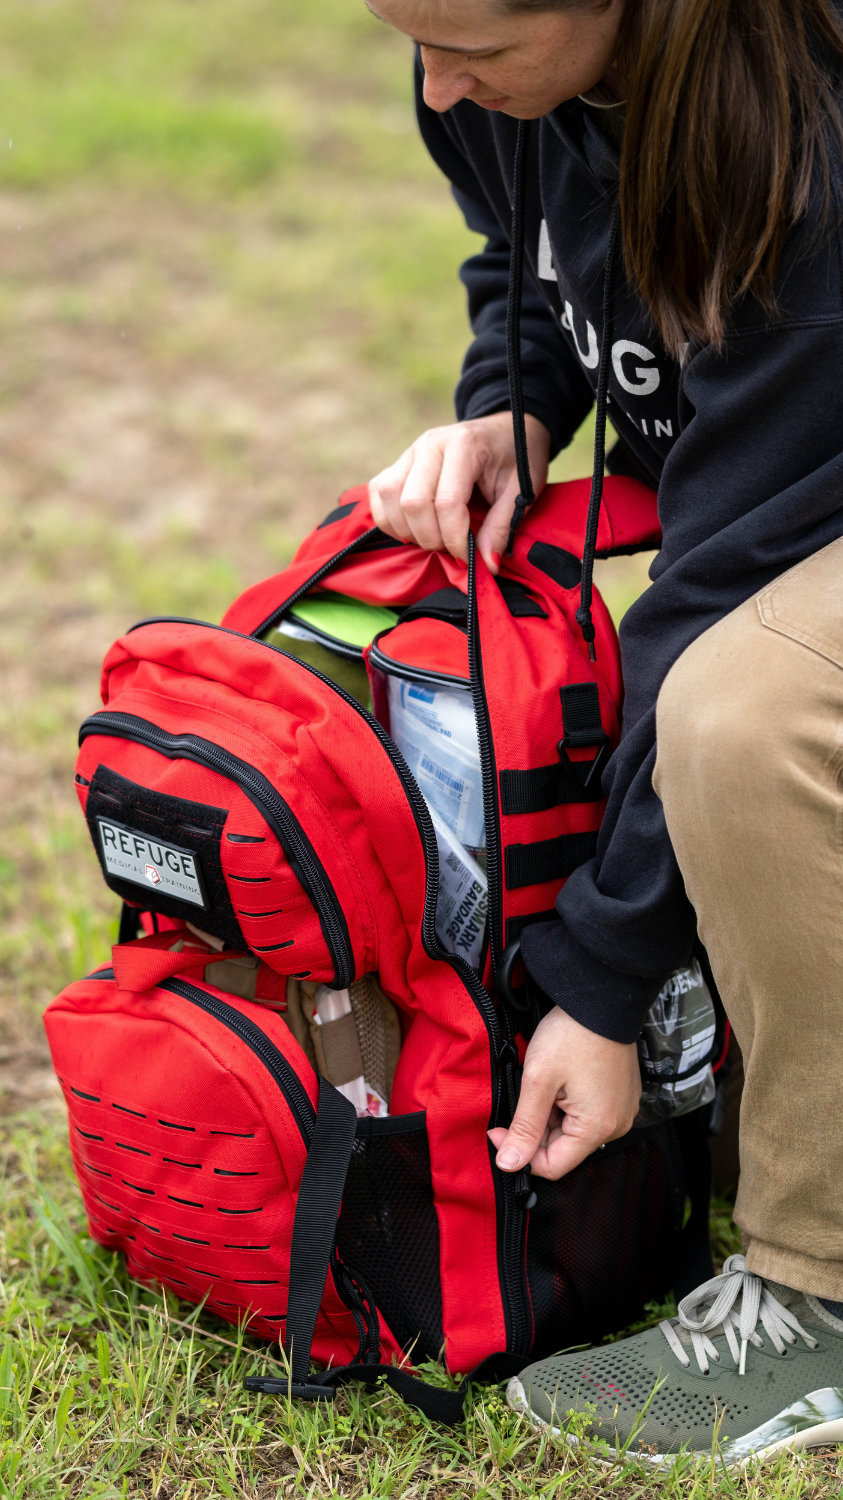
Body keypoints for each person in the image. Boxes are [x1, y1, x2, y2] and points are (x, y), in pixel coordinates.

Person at [364, 0, 843, 1465]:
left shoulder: (808, 153)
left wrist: (602, 981)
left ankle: (818, 1292)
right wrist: (512, 403)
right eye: (410, 39)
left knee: (743, 708)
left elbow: (716, 588)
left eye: (477, 53)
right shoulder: (500, 76)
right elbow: (540, 258)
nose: (437, 85)